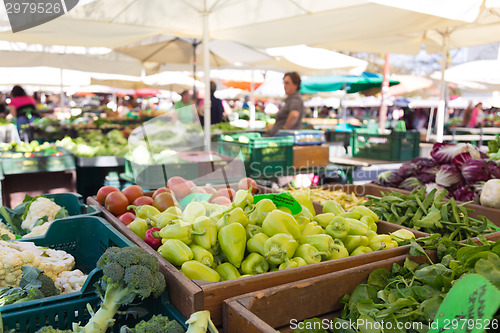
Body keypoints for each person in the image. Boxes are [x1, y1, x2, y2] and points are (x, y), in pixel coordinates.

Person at [268, 72, 305, 136]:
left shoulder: (295, 99)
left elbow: (294, 115)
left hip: (286, 139)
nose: (284, 86)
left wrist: (283, 130)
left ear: (295, 85)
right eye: (284, 83)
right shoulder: (291, 98)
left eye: (287, 83)